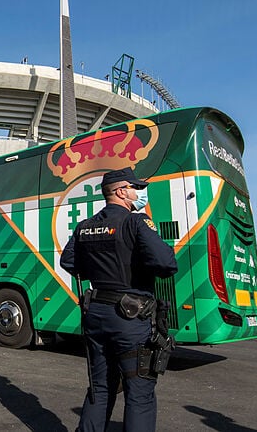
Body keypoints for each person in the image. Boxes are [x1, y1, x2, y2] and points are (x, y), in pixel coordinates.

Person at [61, 167, 178, 432]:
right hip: (130, 318)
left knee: (100, 387)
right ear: (121, 191)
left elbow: (68, 261)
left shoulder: (85, 227)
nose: (140, 193)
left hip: (96, 314)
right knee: (140, 392)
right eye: (136, 188)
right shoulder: (135, 222)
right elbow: (166, 263)